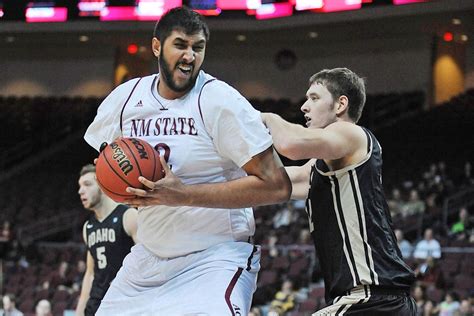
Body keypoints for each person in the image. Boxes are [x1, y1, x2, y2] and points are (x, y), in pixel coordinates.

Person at [83, 6, 290, 315]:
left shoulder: (221, 101)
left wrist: (183, 194)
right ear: (157, 47)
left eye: (198, 47)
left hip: (214, 260)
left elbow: (277, 186)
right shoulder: (125, 99)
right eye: (180, 45)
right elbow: (107, 161)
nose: (190, 56)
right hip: (148, 260)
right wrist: (125, 191)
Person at [261, 68, 416, 314]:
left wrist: (266, 118)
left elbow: (290, 144)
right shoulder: (318, 168)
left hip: (371, 298)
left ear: (340, 104)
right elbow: (273, 183)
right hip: (376, 300)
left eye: (314, 98)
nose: (304, 106)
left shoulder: (350, 132)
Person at [75, 164, 138, 316]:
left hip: (123, 301)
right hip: (96, 302)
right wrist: (79, 310)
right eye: (80, 186)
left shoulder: (129, 216)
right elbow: (90, 273)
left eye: (87, 184)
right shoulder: (88, 227)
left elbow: (148, 261)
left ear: (103, 186)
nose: (80, 191)